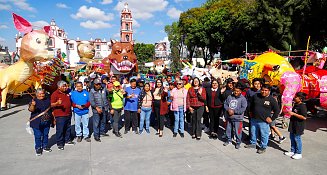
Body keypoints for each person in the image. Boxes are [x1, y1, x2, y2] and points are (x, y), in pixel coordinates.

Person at [244, 84, 280, 154]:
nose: (263, 92)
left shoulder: (272, 100)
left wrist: (272, 119)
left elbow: (277, 111)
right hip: (254, 119)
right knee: (253, 132)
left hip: (264, 121)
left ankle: (263, 146)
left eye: (266, 90)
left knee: (264, 134)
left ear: (269, 91)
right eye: (262, 90)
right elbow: (250, 105)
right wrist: (250, 112)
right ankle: (253, 143)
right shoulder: (256, 96)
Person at [223, 82, 248, 149]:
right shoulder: (230, 97)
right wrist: (228, 110)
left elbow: (243, 108)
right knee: (228, 130)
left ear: (241, 91)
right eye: (235, 91)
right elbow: (225, 104)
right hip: (229, 117)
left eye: (238, 91)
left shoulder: (243, 99)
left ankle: (238, 142)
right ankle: (228, 140)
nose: (236, 92)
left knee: (238, 131)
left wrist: (234, 111)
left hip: (238, 119)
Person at [51, 81, 74, 150]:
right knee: (60, 129)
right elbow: (51, 104)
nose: (65, 87)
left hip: (68, 113)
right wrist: (57, 103)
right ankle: (60, 143)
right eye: (63, 86)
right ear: (59, 87)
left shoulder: (67, 93)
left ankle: (67, 140)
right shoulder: (54, 94)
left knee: (68, 128)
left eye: (66, 86)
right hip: (60, 115)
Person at [28, 88, 52, 156]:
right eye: (40, 94)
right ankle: (38, 148)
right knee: (38, 135)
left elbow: (51, 109)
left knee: (45, 134)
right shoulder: (33, 101)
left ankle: (45, 146)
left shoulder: (47, 100)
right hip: (36, 122)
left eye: (43, 93)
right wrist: (33, 105)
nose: (42, 95)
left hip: (47, 121)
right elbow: (31, 110)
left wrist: (53, 120)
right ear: (36, 94)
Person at [284, 92, 307, 160]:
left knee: (297, 138)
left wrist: (293, 114)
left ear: (300, 99)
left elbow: (304, 117)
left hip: (299, 125)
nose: (295, 98)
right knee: (292, 138)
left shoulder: (302, 106)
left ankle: (299, 153)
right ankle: (292, 151)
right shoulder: (296, 104)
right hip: (293, 124)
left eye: (296, 97)